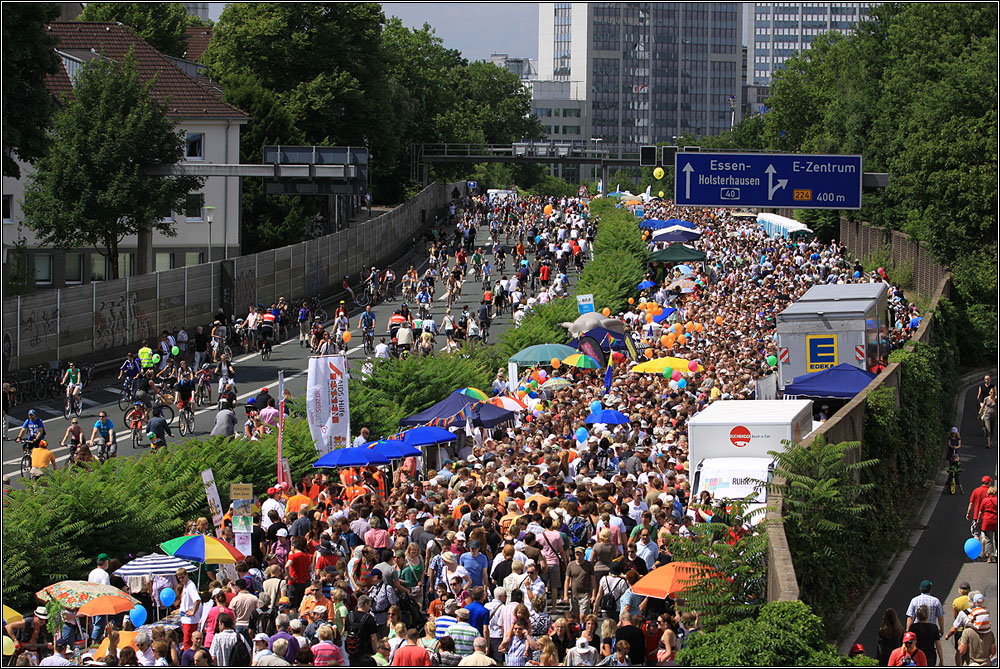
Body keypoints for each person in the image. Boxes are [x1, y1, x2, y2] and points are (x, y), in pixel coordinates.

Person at [957, 599, 996, 666]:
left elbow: (962, 651)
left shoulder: (967, 632)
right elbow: (993, 651)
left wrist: (959, 643)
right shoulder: (990, 634)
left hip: (971, 664)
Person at [178, 567, 203, 649]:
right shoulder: (185, 586)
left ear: (186, 575)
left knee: (187, 643)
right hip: (186, 619)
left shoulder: (190, 586)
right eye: (179, 578)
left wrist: (193, 612)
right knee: (186, 642)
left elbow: (197, 600)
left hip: (190, 621)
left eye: (182, 577)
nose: (181, 580)